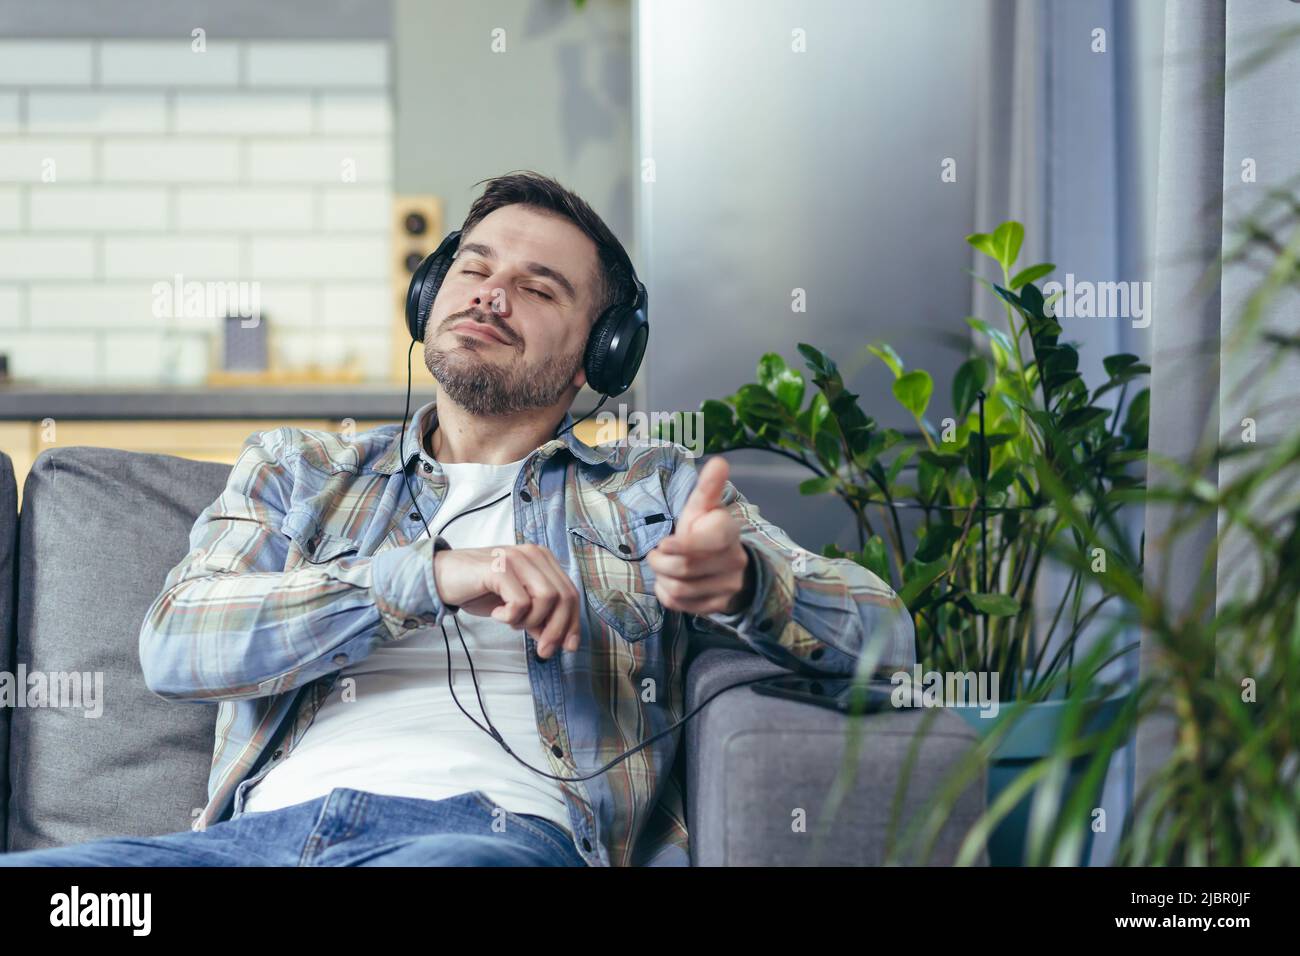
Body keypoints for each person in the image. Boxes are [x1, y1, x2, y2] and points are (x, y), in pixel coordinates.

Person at [0, 171, 914, 868]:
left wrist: (750, 586)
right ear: (429, 295)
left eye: (539, 287)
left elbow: (889, 643)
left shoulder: (654, 489)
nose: (489, 293)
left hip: (482, 839)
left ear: (604, 351)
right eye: (474, 268)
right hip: (254, 844)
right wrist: (426, 576)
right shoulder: (298, 469)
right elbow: (177, 644)